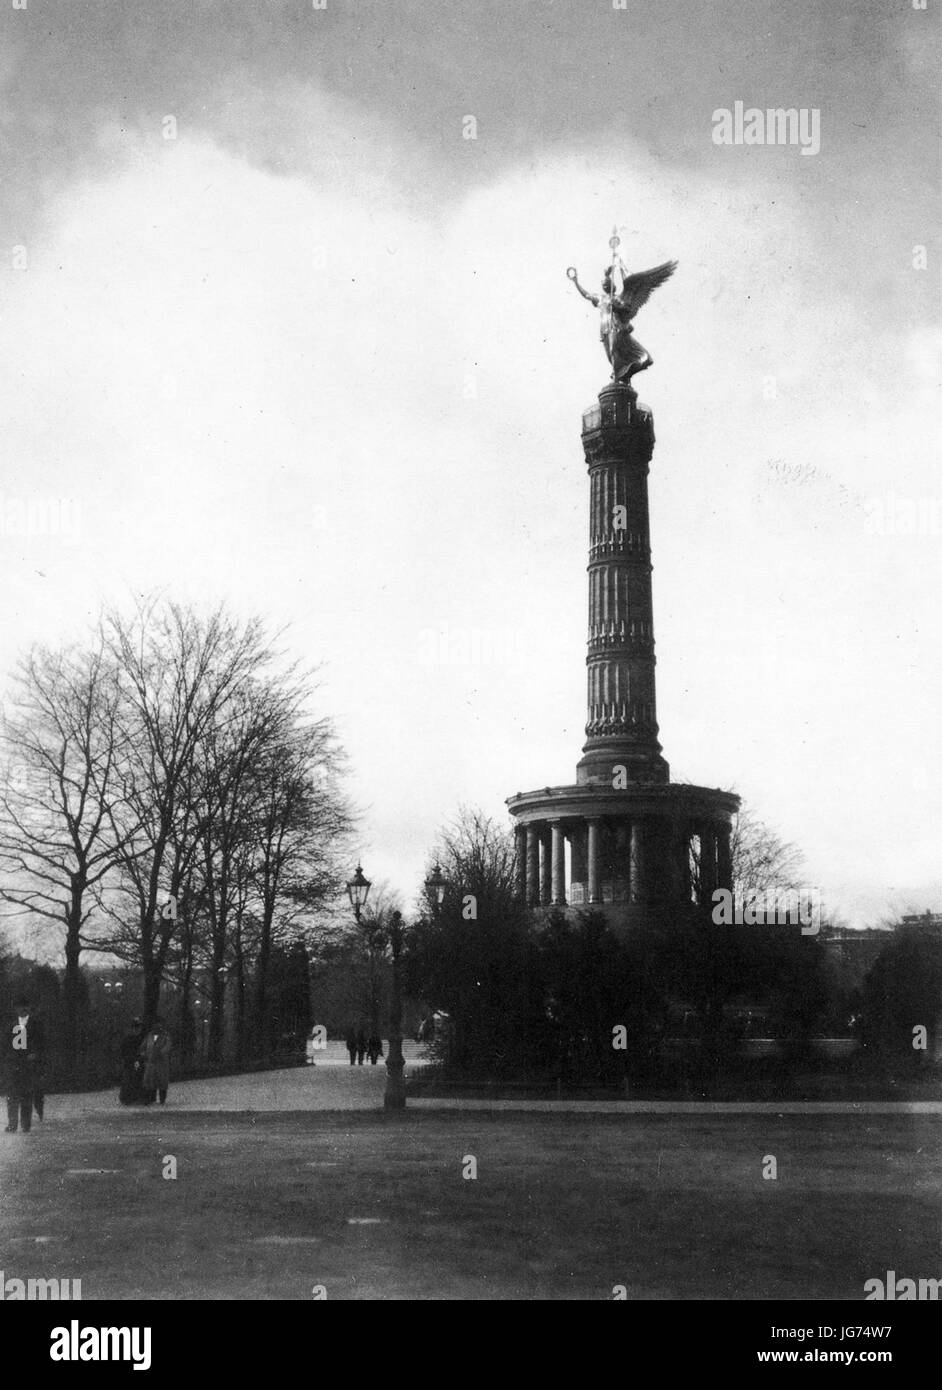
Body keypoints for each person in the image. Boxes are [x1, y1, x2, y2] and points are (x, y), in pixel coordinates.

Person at [3, 994, 46, 1134]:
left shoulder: (36, 1025)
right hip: (14, 1065)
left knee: (27, 1095)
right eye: (20, 1007)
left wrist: (36, 1054)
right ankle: (12, 1123)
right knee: (12, 1095)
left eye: (26, 1006)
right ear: (16, 1009)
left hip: (29, 1066)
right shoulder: (11, 1026)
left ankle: (26, 1124)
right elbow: (5, 1045)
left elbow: (42, 1044)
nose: (23, 1009)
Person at [140, 1018, 171, 1105]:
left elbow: (168, 1046)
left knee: (162, 1082)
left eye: (159, 1025)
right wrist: (144, 1054)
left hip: (161, 1063)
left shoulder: (165, 1036)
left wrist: (160, 1053)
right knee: (149, 1082)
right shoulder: (149, 1036)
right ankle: (148, 1099)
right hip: (150, 1063)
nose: (157, 1027)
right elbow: (142, 1047)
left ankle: (162, 1100)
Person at [119, 1017, 146, 1106]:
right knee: (129, 1079)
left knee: (136, 1078)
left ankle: (134, 1097)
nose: (137, 1029)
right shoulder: (129, 1039)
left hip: (137, 1061)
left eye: (138, 1027)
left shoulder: (140, 1038)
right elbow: (123, 1051)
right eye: (136, 1027)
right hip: (130, 1061)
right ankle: (127, 1098)